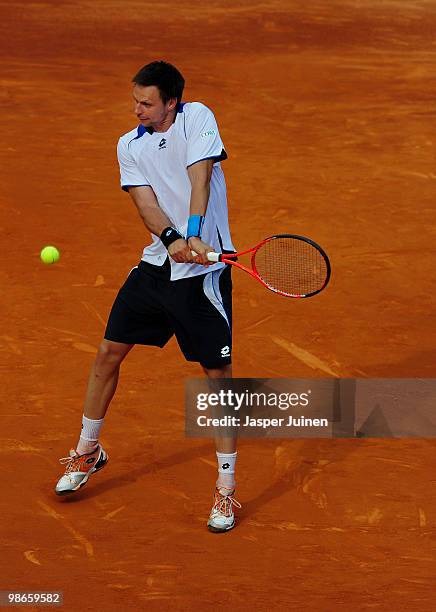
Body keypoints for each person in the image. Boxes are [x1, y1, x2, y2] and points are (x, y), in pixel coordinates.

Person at [55, 60, 240, 533]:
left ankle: (225, 490)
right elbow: (146, 203)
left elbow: (199, 178)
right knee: (107, 354)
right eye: (135, 100)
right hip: (156, 269)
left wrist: (196, 235)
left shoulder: (198, 118)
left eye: (146, 102)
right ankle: (87, 449)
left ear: (171, 102)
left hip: (204, 276)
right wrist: (175, 238)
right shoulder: (128, 144)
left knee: (217, 378)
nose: (136, 109)